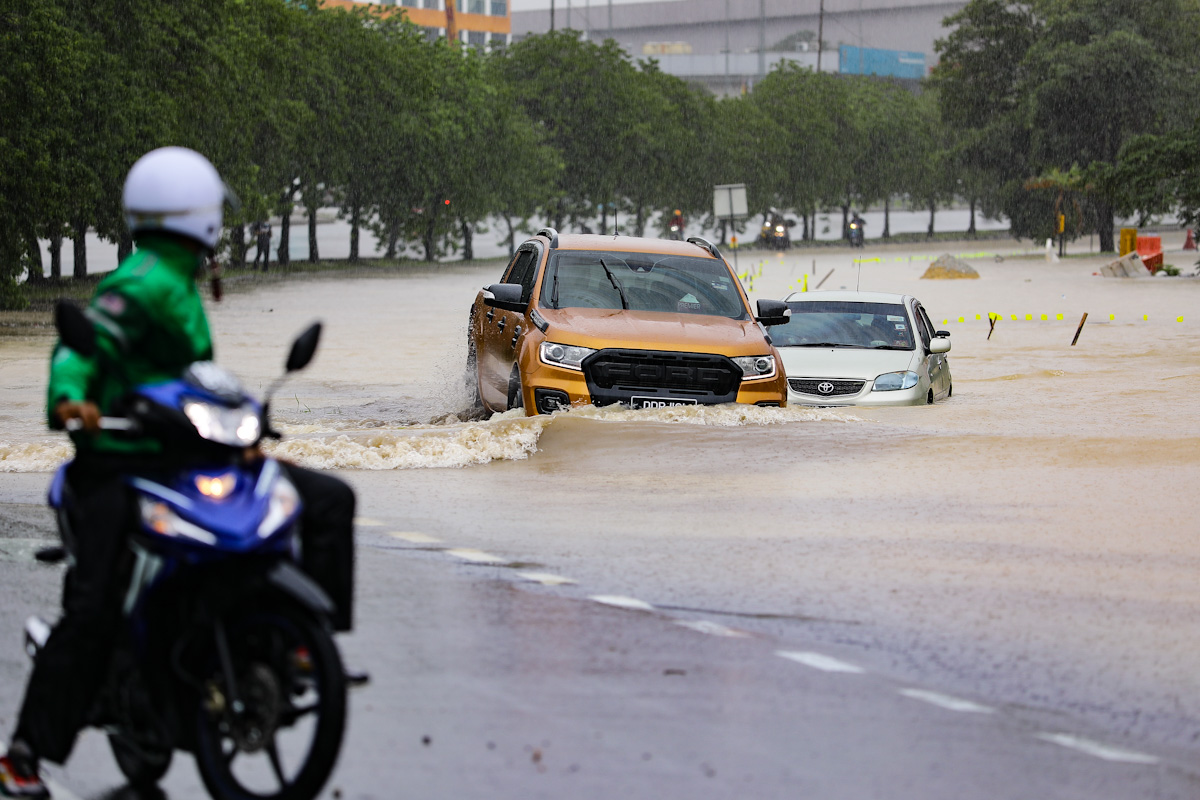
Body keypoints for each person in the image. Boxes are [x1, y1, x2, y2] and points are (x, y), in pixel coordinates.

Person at [0, 147, 356, 800]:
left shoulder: (180, 282)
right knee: (94, 608)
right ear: (198, 214)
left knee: (326, 499)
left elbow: (192, 383)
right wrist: (70, 399)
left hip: (182, 459)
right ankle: (24, 755)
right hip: (116, 465)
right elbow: (81, 350)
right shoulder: (140, 284)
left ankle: (300, 648)